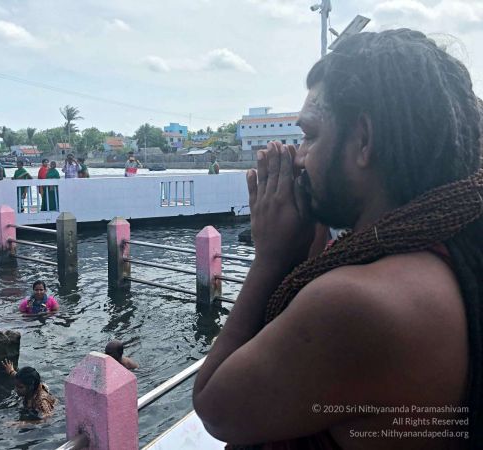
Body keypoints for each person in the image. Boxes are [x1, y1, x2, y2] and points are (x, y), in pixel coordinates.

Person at [193, 29, 483, 449]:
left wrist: (272, 257)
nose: (298, 157)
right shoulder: (449, 243)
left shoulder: (355, 302)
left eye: (310, 135)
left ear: (363, 140)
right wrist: (309, 238)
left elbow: (216, 408)